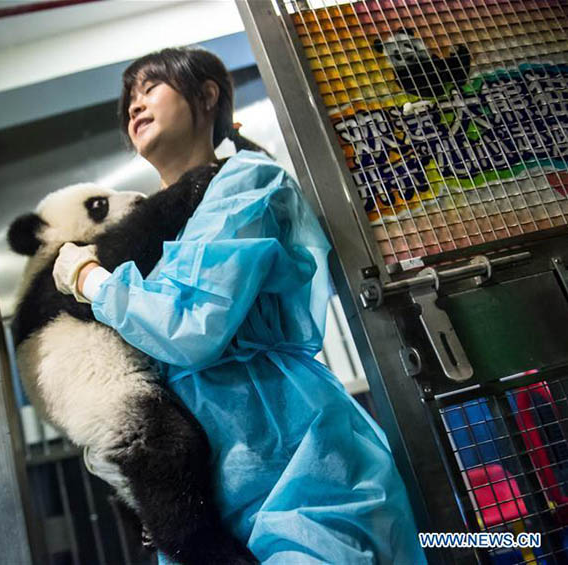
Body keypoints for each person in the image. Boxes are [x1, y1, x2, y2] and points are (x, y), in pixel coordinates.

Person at [53, 47, 426, 564]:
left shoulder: (247, 181)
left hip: (287, 446)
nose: (134, 106)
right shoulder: (146, 229)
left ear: (206, 96)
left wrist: (90, 279)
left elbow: (188, 326)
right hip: (203, 481)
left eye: (150, 88)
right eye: (128, 100)